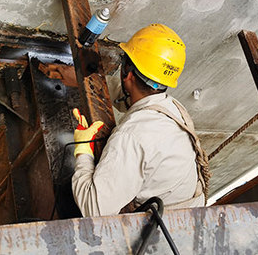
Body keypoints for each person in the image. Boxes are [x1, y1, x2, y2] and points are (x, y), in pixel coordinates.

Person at [71, 24, 211, 217]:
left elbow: (94, 209)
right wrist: (83, 80)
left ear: (127, 73)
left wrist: (83, 151)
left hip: (166, 227)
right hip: (192, 208)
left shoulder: (131, 137)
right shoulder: (172, 107)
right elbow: (128, 96)